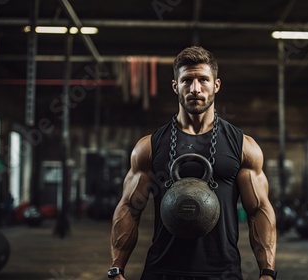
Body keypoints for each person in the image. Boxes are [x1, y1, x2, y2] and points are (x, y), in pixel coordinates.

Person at [109, 46, 277, 280]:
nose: (195, 88)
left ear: (216, 85)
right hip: (162, 270)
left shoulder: (243, 146)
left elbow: (259, 209)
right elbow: (129, 207)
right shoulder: (149, 146)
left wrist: (267, 271)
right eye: (187, 80)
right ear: (175, 86)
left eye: (203, 80)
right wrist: (117, 268)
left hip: (222, 272)